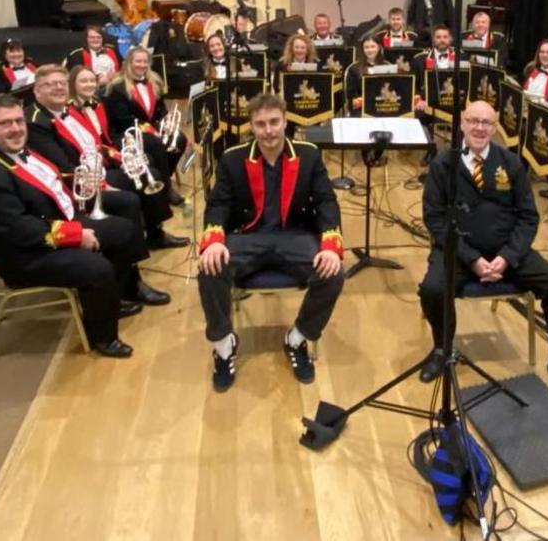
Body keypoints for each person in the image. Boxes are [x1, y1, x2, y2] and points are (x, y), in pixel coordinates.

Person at [415, 101, 548, 406]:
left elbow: (528, 217)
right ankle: (442, 350)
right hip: (459, 251)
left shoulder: (510, 162)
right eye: (473, 121)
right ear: (461, 124)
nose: (480, 128)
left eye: (486, 122)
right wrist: (471, 259)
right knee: (432, 289)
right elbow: (435, 219)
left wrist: (508, 256)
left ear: (496, 127)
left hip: (506, 251)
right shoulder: (443, 164)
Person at [0, 96, 147, 357]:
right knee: (98, 268)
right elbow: (20, 230)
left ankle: (115, 299)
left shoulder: (18, 151)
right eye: (5, 123)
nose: (15, 128)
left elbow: (52, 184)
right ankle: (103, 337)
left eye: (18, 120)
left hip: (54, 221)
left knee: (123, 229)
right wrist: (76, 235)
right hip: (25, 255)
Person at [196, 94, 345, 392]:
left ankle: (298, 338)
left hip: (295, 236)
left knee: (334, 272)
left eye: (274, 122)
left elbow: (327, 202)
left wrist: (331, 246)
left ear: (285, 121)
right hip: (248, 237)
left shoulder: (309, 154)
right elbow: (219, 205)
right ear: (251, 125)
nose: (269, 130)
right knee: (209, 267)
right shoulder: (233, 158)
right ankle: (224, 345)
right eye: (261, 124)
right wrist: (213, 241)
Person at [27, 64, 186, 253]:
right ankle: (132, 263)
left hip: (99, 168)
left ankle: (155, 234)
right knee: (130, 198)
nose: (58, 87)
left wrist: (121, 157)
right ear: (37, 90)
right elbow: (63, 168)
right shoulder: (36, 123)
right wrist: (103, 185)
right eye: (50, 84)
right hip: (81, 186)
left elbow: (94, 143)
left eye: (61, 83)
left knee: (149, 172)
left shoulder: (68, 110)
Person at [105, 47, 189, 204]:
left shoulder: (154, 81)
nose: (141, 65)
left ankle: (163, 177)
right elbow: (121, 119)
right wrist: (151, 130)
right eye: (138, 61)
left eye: (145, 61)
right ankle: (166, 189)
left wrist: (166, 120)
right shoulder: (117, 87)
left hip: (150, 129)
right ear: (129, 62)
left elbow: (160, 109)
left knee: (179, 139)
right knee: (156, 144)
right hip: (126, 132)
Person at [345, 37, 392, 115]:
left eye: (373, 46)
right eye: (366, 47)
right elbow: (351, 93)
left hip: (384, 106)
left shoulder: (388, 66)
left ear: (379, 47)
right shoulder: (354, 68)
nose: (370, 50)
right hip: (362, 108)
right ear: (362, 49)